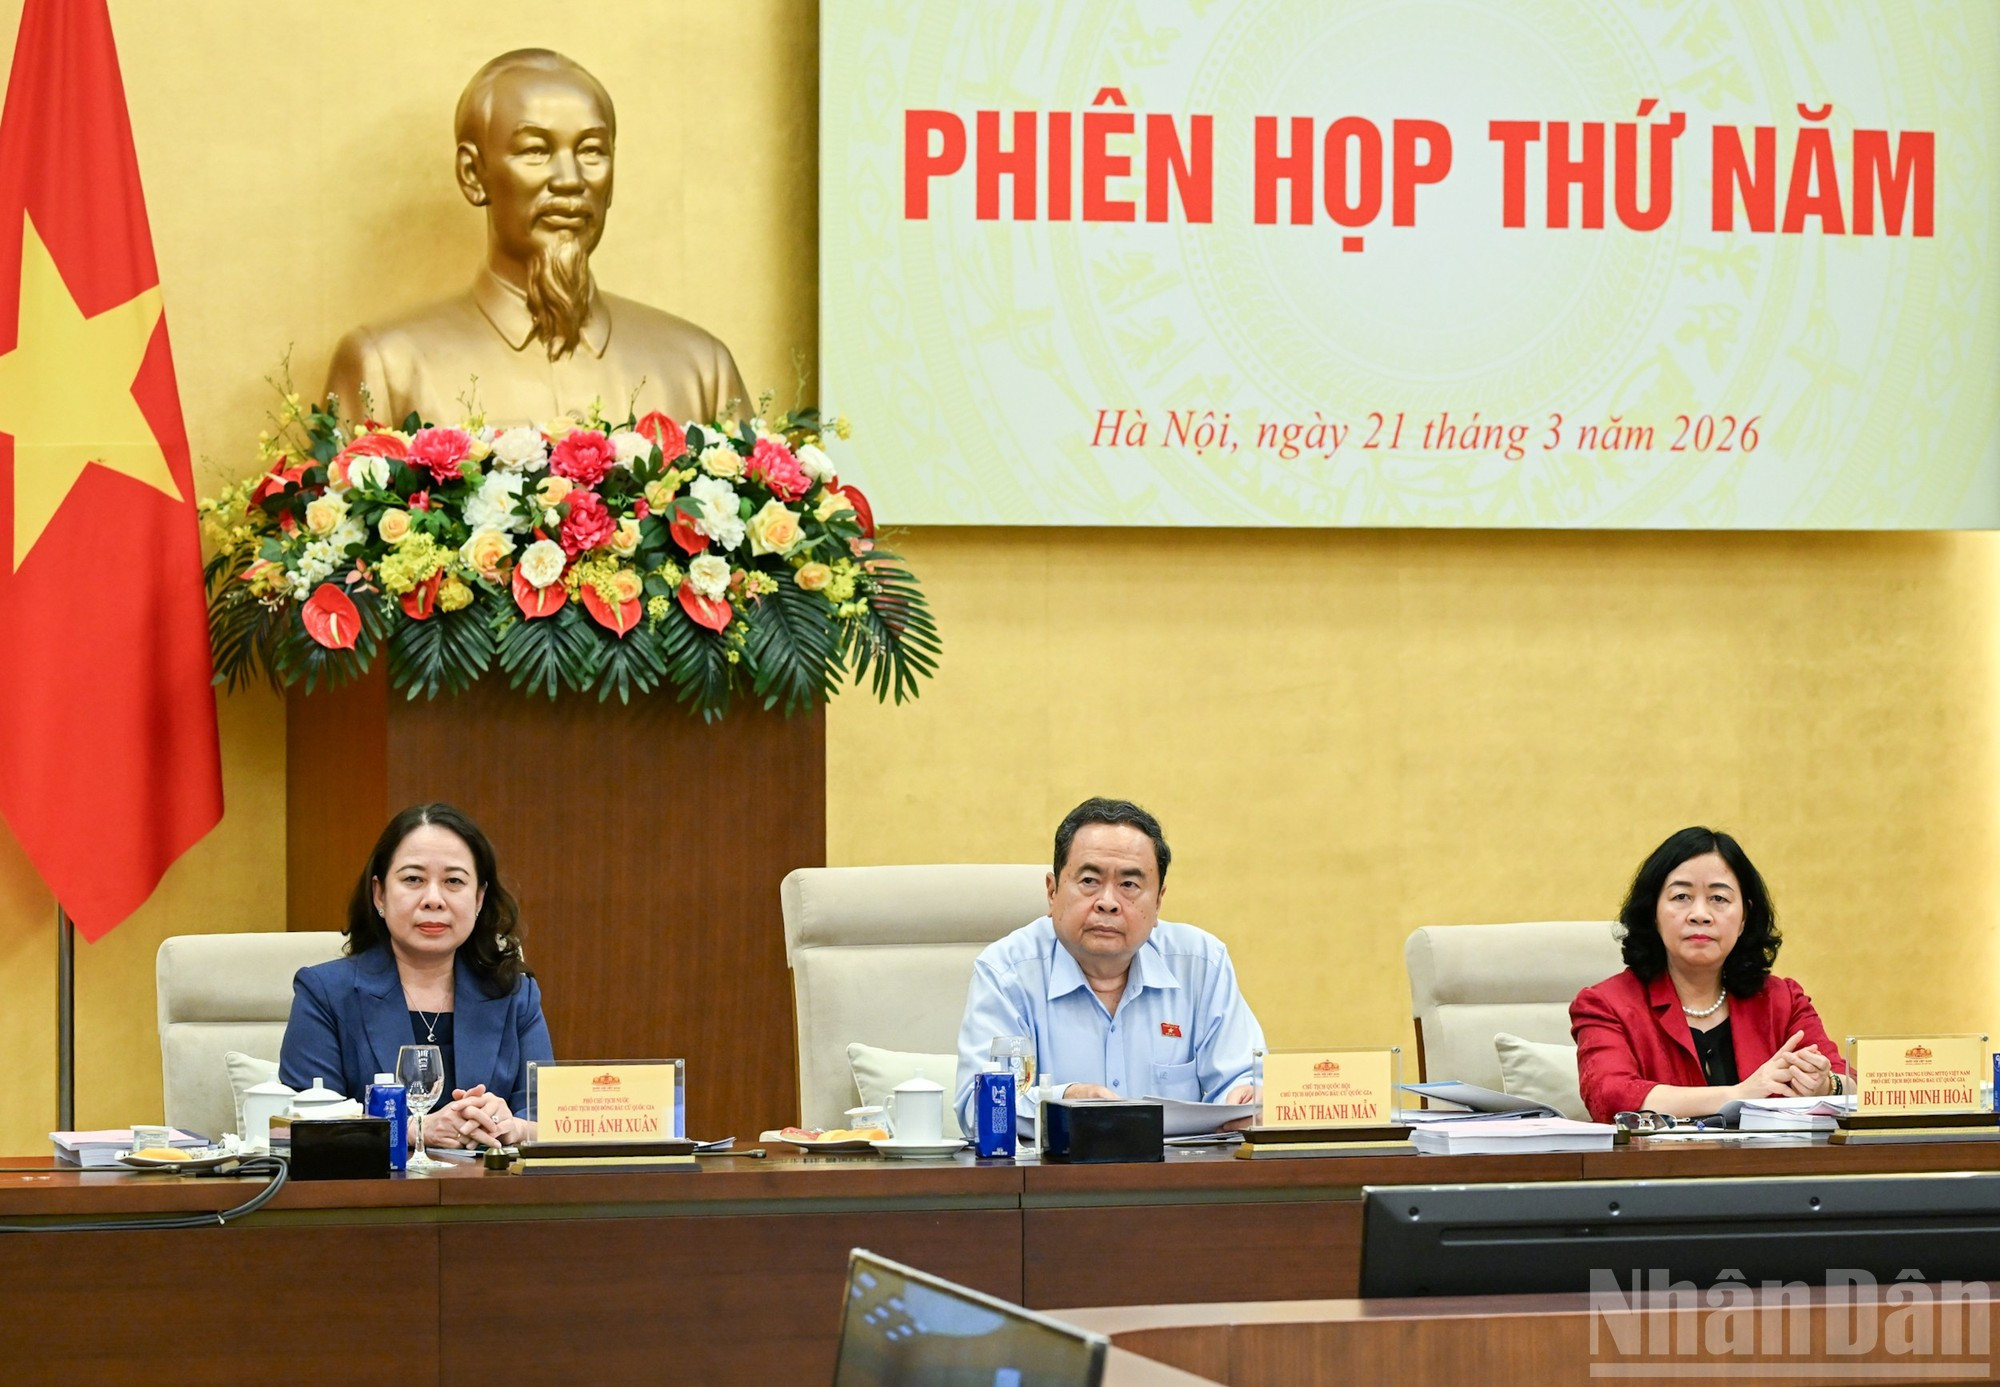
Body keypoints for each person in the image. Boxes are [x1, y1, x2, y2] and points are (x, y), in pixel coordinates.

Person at [324, 48, 748, 428]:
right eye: (535, 151)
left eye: (591, 151)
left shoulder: (700, 369)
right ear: (473, 174)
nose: (570, 180)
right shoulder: (388, 367)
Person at [954, 798, 1265, 1135]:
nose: (1107, 902)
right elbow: (977, 1105)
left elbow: (1243, 1077)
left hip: (1175, 1180)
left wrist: (1247, 1096)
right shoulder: (1006, 972)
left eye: (1129, 885)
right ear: (1052, 890)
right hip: (1053, 1182)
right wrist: (1062, 1103)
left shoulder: (1202, 964)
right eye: (1089, 880)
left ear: (1158, 900)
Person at [280, 803, 552, 1147]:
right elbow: (305, 1127)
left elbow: (548, 1120)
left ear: (479, 898)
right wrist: (411, 1132)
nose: (433, 899)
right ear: (380, 894)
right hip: (372, 1196)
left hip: (490, 1194)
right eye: (413, 879)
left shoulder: (515, 994)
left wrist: (513, 1126)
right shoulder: (325, 994)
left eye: (454, 881)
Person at [1571, 826, 1845, 1123]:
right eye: (1681, 897)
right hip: (1656, 1168)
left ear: (1743, 919)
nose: (1700, 914)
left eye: (1718, 899)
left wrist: (1827, 1084)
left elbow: (1855, 1087)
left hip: (1771, 1167)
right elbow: (1611, 1097)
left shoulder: (1782, 1001)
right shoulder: (1606, 1005)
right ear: (1653, 912)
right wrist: (1740, 1095)